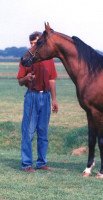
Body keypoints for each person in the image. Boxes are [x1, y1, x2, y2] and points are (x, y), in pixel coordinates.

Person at [17, 31, 58, 173]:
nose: (34, 46)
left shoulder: (49, 59)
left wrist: (54, 99)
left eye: (37, 43)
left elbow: (52, 80)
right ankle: (26, 163)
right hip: (32, 97)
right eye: (32, 43)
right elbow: (20, 81)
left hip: (45, 97)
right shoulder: (26, 58)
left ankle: (41, 163)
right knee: (28, 131)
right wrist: (26, 78)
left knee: (43, 132)